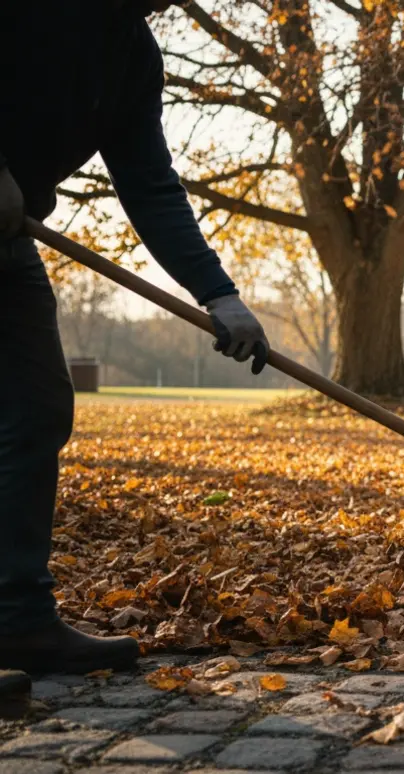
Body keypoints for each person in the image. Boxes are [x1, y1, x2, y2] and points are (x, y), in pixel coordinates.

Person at [0, 0, 269, 674]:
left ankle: (16, 622)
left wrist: (219, 293)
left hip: (5, 239)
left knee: (36, 410)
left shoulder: (131, 55)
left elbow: (148, 182)